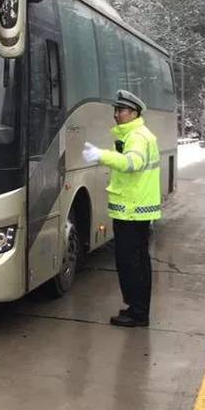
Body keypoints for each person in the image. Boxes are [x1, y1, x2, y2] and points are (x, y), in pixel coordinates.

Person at [82, 89, 161, 328]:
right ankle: (137, 309)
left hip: (132, 209)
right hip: (135, 208)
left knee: (130, 262)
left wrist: (102, 155)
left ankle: (137, 312)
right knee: (137, 260)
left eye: (122, 110)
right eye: (115, 110)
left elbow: (131, 163)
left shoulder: (137, 136)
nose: (117, 114)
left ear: (134, 112)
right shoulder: (138, 134)